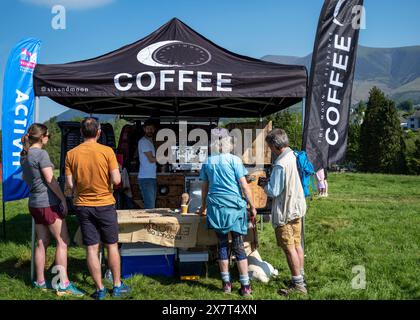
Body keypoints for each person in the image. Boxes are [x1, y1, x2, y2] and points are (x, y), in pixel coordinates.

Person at [65, 118, 131, 300]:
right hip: (105, 204)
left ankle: (100, 289)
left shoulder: (71, 154)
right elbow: (117, 180)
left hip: (83, 206)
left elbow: (69, 185)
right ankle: (117, 286)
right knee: (112, 246)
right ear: (99, 132)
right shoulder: (107, 151)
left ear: (81, 133)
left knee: (91, 249)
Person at [20, 123, 83, 296]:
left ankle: (40, 281)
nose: (49, 138)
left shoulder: (24, 155)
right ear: (41, 137)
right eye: (48, 135)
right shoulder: (41, 153)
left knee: (42, 241)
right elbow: (50, 179)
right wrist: (62, 198)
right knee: (63, 241)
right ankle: (63, 283)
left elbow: (27, 178)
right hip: (47, 203)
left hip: (34, 203)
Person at [199, 128, 257, 297]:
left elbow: (204, 187)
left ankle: (226, 284)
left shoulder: (208, 161)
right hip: (234, 206)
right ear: (228, 144)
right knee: (238, 245)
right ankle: (245, 286)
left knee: (222, 244)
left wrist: (203, 207)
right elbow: (244, 186)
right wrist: (252, 205)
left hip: (216, 206)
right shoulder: (235, 160)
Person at [260, 129, 307, 295]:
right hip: (297, 207)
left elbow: (274, 191)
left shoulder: (281, 163)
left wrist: (263, 185)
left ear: (275, 145)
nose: (270, 150)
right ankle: (300, 277)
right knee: (297, 244)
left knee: (289, 248)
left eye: (270, 147)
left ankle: (299, 286)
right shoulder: (294, 155)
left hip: (285, 210)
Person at [137, 119, 157, 209]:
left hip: (150, 177)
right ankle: (149, 223)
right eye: (148, 129)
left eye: (152, 129)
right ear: (144, 129)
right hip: (146, 178)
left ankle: (151, 223)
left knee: (150, 205)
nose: (150, 130)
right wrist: (165, 158)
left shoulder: (149, 142)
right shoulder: (144, 142)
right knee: (150, 206)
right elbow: (151, 159)